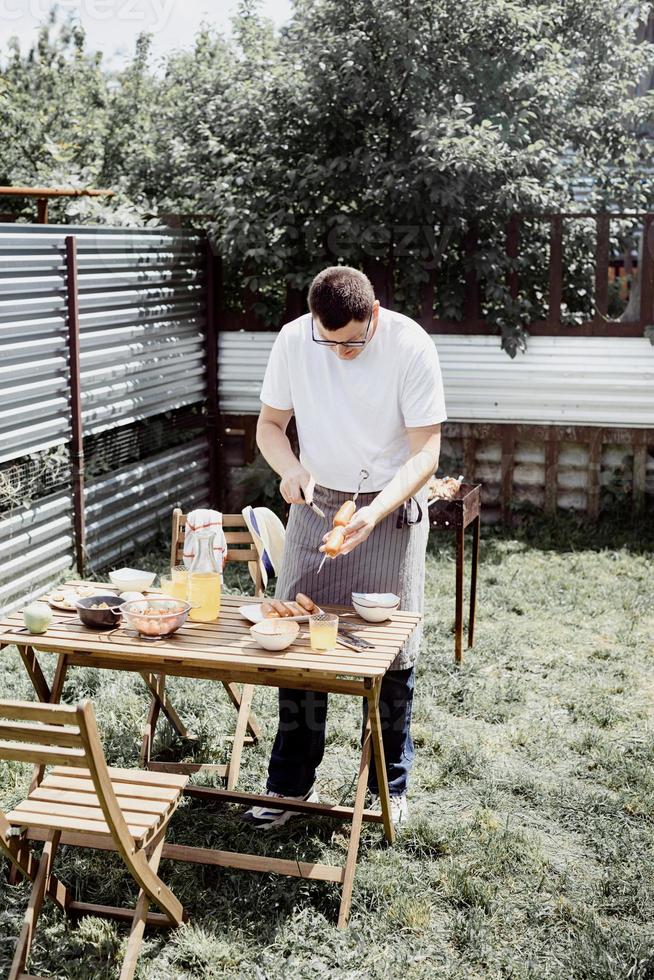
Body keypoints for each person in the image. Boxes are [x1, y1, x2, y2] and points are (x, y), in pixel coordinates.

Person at [243, 266, 447, 829]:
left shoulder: (410, 345)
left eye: (353, 340)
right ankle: (287, 787)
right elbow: (269, 425)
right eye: (328, 341)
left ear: (374, 313)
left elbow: (426, 455)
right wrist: (288, 470)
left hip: (391, 502)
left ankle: (389, 787)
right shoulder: (293, 340)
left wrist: (375, 513)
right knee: (294, 647)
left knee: (391, 655)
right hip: (315, 503)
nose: (341, 352)